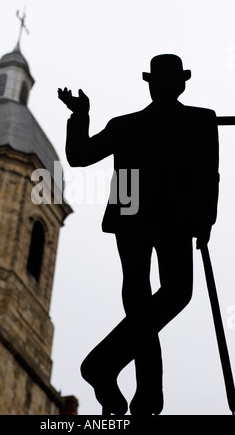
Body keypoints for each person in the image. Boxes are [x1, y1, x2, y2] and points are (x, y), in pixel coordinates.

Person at [58, 54, 220, 415]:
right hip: (143, 214)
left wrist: (206, 220)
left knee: (159, 297)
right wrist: (80, 115)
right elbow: (80, 155)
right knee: (151, 296)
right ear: (170, 83)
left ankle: (104, 367)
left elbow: (210, 175)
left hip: (157, 215)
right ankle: (143, 395)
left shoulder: (198, 120)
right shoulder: (140, 124)